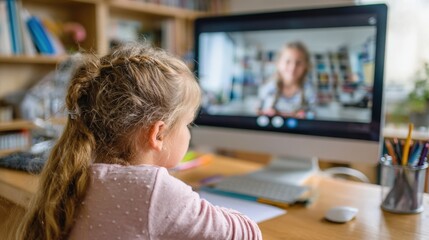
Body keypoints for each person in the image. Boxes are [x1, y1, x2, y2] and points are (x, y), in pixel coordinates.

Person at [12, 43, 262, 240]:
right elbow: (248, 233)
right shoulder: (153, 189)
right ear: (158, 134)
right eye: (188, 124)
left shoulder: (76, 171)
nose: (189, 133)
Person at [259, 42, 316, 119]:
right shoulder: (268, 88)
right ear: (278, 63)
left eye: (298, 63)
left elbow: (313, 113)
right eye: (288, 61)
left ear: (306, 66)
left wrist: (306, 115)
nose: (293, 67)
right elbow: (258, 110)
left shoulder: (309, 90)